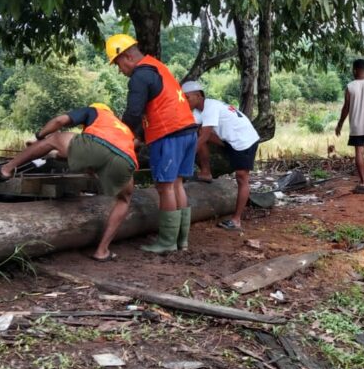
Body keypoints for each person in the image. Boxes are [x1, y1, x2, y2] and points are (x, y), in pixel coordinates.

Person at [0, 103, 137, 262]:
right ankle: (102, 250)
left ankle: (6, 170)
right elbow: (88, 154)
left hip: (99, 147)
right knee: (124, 200)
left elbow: (59, 121)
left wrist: (39, 138)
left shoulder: (95, 111)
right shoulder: (122, 128)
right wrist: (50, 154)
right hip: (126, 159)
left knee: (55, 138)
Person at [106, 34, 198, 253]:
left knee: (165, 187)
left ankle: (167, 242)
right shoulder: (157, 67)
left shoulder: (140, 76)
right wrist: (138, 137)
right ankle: (181, 241)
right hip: (188, 130)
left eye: (118, 64)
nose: (120, 70)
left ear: (126, 56)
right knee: (176, 184)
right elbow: (156, 106)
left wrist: (120, 138)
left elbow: (133, 112)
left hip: (168, 134)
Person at [182, 81, 260, 231]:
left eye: (187, 98)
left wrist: (183, 158)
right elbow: (189, 128)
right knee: (196, 133)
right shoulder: (199, 110)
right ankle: (206, 173)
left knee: (241, 177)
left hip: (244, 141)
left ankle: (236, 220)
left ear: (198, 96)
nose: (184, 101)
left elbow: (204, 137)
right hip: (229, 139)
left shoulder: (210, 107)